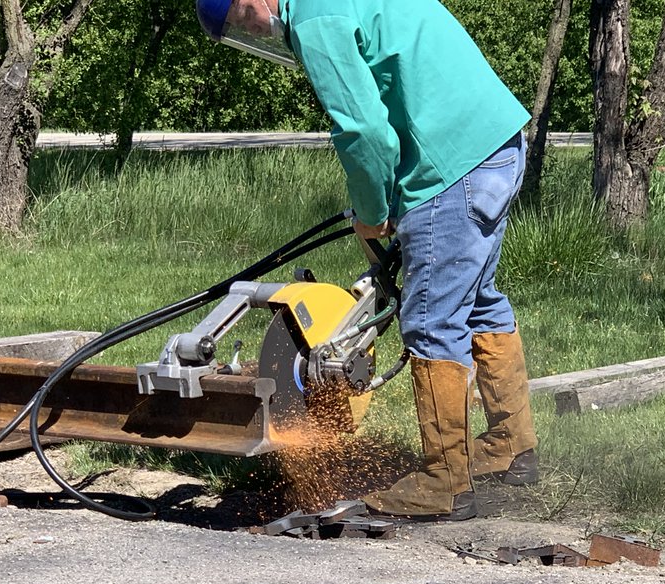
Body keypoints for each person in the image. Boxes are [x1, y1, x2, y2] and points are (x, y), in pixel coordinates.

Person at [196, 0, 539, 521]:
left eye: (245, 15)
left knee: (430, 320)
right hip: (496, 144)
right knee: (478, 301)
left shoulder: (313, 18)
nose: (254, 27)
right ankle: (511, 445)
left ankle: (445, 481)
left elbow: (364, 132)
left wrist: (373, 213)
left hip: (451, 166)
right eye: (242, 28)